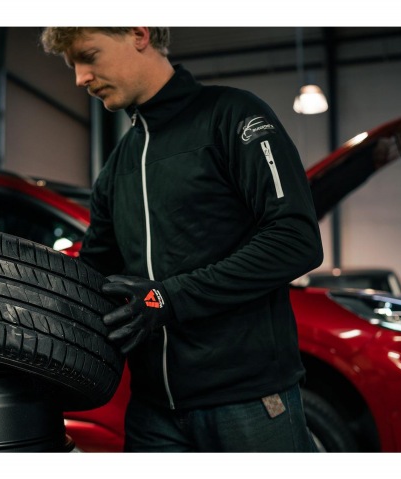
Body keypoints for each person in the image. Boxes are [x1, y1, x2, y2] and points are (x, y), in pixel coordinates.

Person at [41, 27, 324, 452]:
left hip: (248, 402)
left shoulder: (233, 116)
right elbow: (93, 275)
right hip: (153, 415)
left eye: (89, 55)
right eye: (73, 65)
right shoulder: (117, 167)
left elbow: (295, 239)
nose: (80, 78)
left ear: (139, 33)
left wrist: (168, 298)